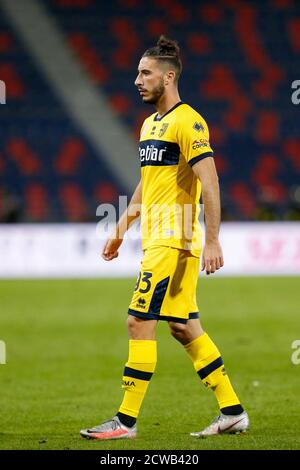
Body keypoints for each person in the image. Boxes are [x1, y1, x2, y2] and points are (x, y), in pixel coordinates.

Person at [80, 36, 249, 440]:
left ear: (168, 77)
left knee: (138, 321)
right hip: (161, 238)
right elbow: (146, 184)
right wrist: (120, 230)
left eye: (145, 73)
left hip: (174, 239)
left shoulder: (188, 121)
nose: (136, 80)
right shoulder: (150, 125)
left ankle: (125, 422)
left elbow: (210, 181)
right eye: (138, 72)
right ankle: (233, 411)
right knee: (184, 326)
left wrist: (213, 240)